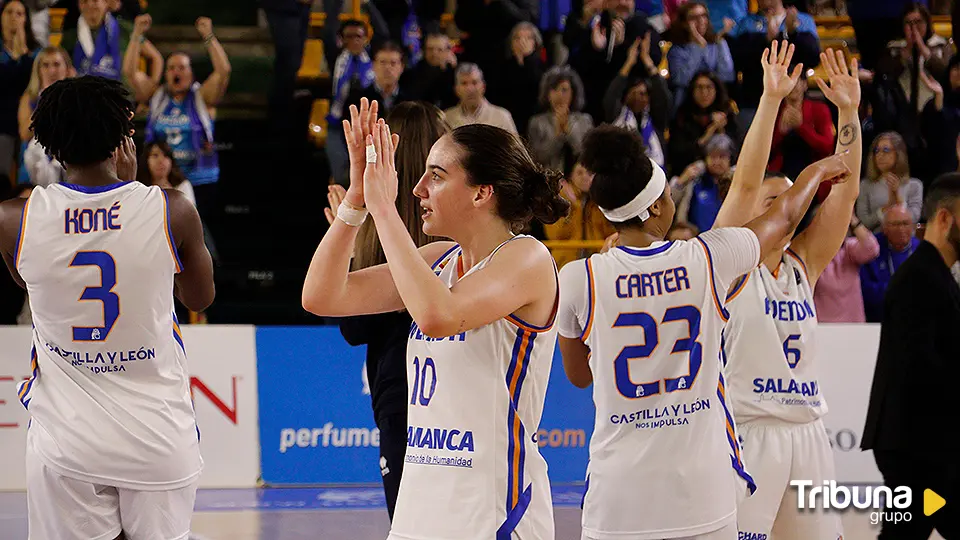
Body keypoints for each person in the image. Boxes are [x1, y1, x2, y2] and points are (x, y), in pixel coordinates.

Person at [556, 123, 851, 538]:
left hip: (618, 497)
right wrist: (813, 175)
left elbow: (579, 375)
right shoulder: (709, 258)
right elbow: (783, 218)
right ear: (657, 207)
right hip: (701, 494)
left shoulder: (577, 278)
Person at [301, 99, 569, 538]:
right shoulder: (439, 258)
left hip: (494, 509)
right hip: (422, 499)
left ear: (482, 192)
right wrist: (356, 201)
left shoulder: (528, 258)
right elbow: (322, 296)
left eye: (437, 177)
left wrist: (384, 209)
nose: (418, 188)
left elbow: (437, 316)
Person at [0, 76, 214, 540]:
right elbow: (200, 298)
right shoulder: (172, 209)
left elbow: (29, 283)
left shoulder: (13, 219)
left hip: (66, 440)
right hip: (157, 435)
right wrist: (131, 197)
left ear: (50, 145)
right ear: (123, 141)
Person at [717, 46, 862, 539]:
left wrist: (849, 111)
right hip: (749, 432)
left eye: (790, 198)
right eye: (774, 200)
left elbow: (845, 193)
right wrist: (770, 100)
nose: (790, 208)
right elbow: (743, 187)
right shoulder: (728, 265)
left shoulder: (803, 266)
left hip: (808, 433)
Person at [324, 100, 449, 522]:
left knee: (412, 524)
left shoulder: (381, 226)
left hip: (400, 390)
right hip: (454, 392)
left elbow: (353, 326)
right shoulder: (459, 225)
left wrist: (350, 237)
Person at [861, 173, 960, 539]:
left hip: (929, 445)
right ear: (945, 218)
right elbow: (917, 366)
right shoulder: (918, 279)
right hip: (916, 449)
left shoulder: (937, 277)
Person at [126, 16, 231, 226]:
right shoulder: (157, 96)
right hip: (162, 181)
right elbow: (129, 72)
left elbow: (224, 71)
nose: (177, 72)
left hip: (200, 179)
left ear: (191, 74)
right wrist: (137, 34)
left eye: (182, 67)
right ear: (165, 74)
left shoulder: (202, 98)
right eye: (172, 67)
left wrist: (208, 36)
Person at [859, 204, 920, 322]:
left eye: (905, 223)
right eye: (896, 224)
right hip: (879, 320)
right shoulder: (871, 250)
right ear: (884, 229)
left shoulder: (922, 250)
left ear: (913, 227)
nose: (901, 229)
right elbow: (865, 290)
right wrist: (898, 290)